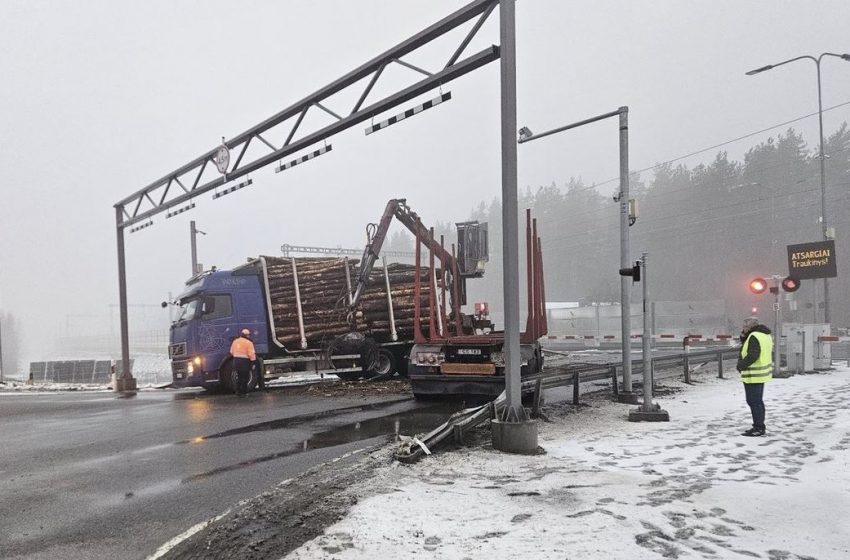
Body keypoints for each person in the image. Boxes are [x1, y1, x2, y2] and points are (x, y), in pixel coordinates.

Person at [736, 317, 773, 436]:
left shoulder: (754, 337)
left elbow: (752, 355)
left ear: (751, 327)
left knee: (754, 401)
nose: (743, 328)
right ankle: (759, 426)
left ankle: (759, 428)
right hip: (760, 374)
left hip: (754, 374)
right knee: (757, 401)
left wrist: (741, 365)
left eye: (745, 327)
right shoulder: (763, 335)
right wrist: (744, 336)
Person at [229, 328, 256, 397]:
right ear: (246, 335)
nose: (249, 336)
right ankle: (244, 392)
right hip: (244, 362)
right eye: (248, 335)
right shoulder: (249, 343)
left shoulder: (235, 341)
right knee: (245, 377)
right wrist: (253, 362)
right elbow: (251, 354)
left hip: (236, 361)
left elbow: (231, 352)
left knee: (239, 377)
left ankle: (238, 392)